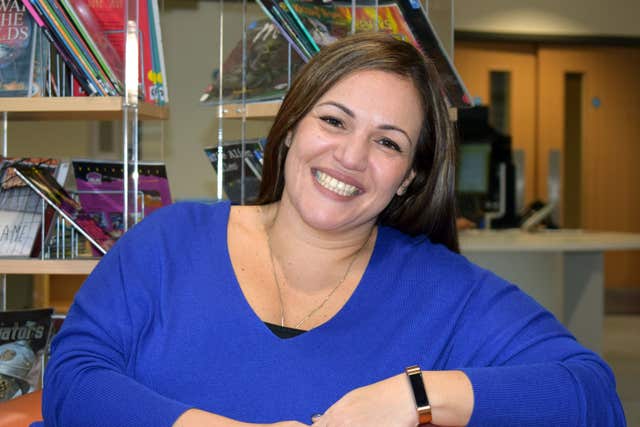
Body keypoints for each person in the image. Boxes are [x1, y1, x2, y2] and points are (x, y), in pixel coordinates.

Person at [39, 33, 625, 427]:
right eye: (334, 120)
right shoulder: (170, 241)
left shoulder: (443, 289)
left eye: (388, 142)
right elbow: (74, 376)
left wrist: (414, 396)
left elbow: (593, 395)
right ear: (292, 126)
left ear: (408, 178)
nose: (350, 155)